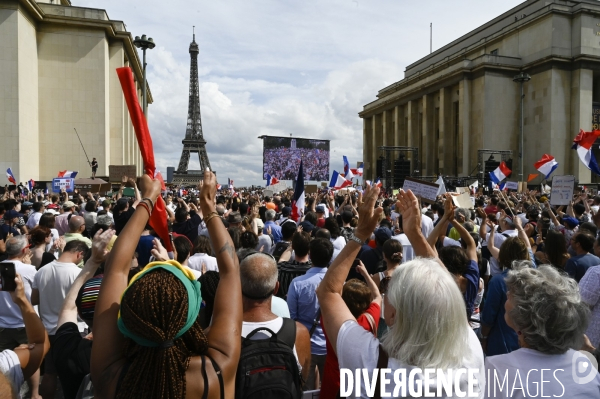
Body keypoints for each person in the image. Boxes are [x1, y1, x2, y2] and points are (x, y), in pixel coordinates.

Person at [316, 187, 485, 398]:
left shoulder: (369, 362)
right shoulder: (470, 354)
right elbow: (447, 293)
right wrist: (414, 234)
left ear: (394, 315)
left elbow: (328, 291)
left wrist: (360, 233)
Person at [91, 170, 242, 399]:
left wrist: (149, 198)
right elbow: (230, 271)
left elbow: (115, 268)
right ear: (191, 314)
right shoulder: (215, 372)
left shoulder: (110, 375)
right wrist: (208, 207)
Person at [485, 265, 599, 398]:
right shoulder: (585, 366)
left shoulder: (498, 368)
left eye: (512, 295)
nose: (507, 294)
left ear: (526, 315)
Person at [52, 229, 114, 399]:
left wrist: (93, 261)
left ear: (80, 312)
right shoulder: (133, 351)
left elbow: (67, 309)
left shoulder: (66, 349)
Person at [239, 252, 311, 382]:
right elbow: (301, 381)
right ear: (276, 288)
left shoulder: (221, 334)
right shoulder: (299, 332)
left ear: (239, 286)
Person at [320, 264, 381, 399]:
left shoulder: (329, 319)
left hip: (333, 380)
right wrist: (365, 274)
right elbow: (378, 295)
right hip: (359, 384)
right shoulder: (369, 319)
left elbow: (327, 294)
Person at [286, 237, 334, 390]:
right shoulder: (338, 284)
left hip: (306, 346)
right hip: (330, 346)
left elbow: (291, 318)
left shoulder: (298, 283)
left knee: (307, 390)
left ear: (310, 255)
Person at [0, 274, 50, 397]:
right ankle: (34, 394)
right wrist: (21, 300)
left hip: (4, 326)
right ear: (24, 252)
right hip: (24, 324)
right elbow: (40, 344)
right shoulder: (4, 367)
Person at [276, 231, 312, 299]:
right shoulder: (314, 270)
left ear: (293, 246)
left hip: (287, 306)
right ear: (309, 248)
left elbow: (282, 260)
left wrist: (291, 246)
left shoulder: (282, 268)